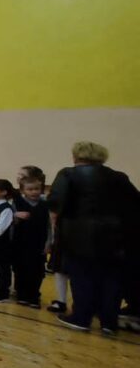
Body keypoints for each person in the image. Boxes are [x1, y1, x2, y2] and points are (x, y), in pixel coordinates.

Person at [48, 141, 138, 334]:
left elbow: (55, 203)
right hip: (115, 235)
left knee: (82, 276)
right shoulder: (119, 177)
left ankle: (81, 318)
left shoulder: (68, 174)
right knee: (111, 278)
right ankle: (109, 322)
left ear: (76, 156)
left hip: (79, 234)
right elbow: (134, 204)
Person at [12, 175, 50, 308]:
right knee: (20, 269)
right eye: (30, 189)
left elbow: (49, 226)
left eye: (37, 189)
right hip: (21, 243)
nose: (34, 192)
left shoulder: (45, 205)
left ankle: (34, 296)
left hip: (38, 243)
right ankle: (22, 294)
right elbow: (9, 219)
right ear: (23, 190)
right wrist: (15, 215)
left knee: (37, 271)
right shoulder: (17, 203)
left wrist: (48, 243)